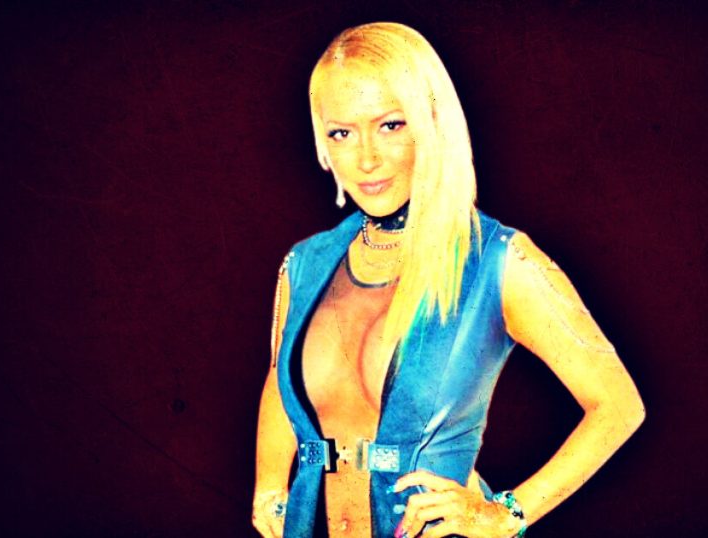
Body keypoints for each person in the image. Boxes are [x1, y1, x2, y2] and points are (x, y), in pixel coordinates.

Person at [253, 22, 644, 538]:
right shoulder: (306, 264)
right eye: (341, 133)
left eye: (391, 125)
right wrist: (268, 486)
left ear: (432, 122)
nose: (366, 158)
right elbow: (282, 380)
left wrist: (505, 514)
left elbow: (618, 406)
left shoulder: (498, 261)